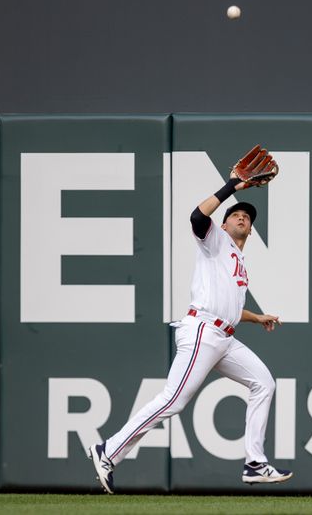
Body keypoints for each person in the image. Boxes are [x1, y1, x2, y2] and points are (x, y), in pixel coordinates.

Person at [87, 154, 293, 494]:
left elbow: (229, 307)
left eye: (246, 216)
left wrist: (257, 318)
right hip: (203, 332)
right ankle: (108, 451)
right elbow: (198, 216)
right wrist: (231, 187)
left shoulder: (238, 262)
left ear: (251, 230)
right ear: (224, 226)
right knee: (173, 401)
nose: (241, 217)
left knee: (264, 383)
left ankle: (255, 463)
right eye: (235, 215)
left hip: (223, 337)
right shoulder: (215, 240)